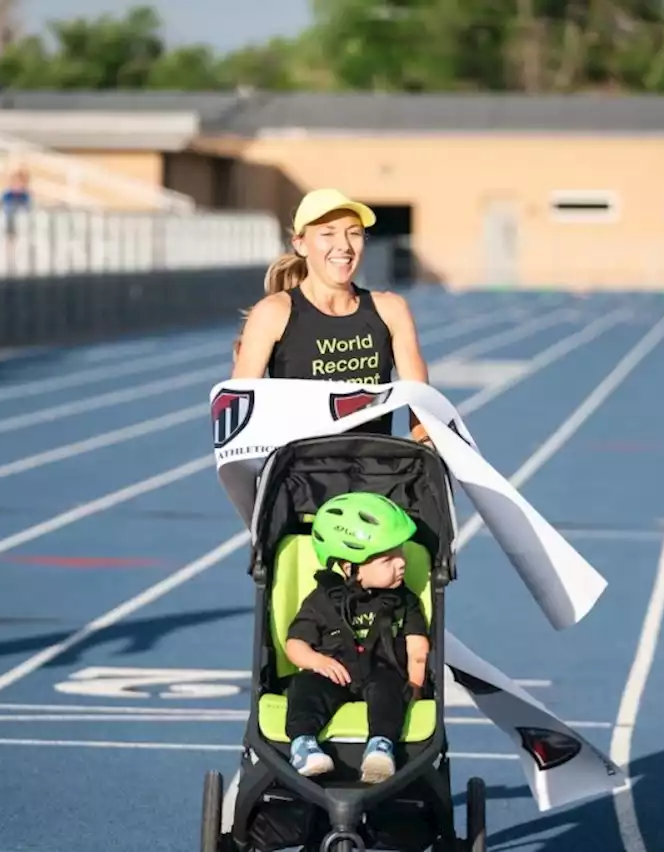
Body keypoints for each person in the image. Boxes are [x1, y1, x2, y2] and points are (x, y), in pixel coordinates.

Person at [232, 188, 433, 445]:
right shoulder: (272, 314)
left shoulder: (391, 309)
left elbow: (420, 401)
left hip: (376, 473)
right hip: (302, 475)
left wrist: (427, 444)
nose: (345, 246)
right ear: (301, 244)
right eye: (328, 234)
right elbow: (239, 411)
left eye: (355, 234)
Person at [282, 491, 431, 784]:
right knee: (304, 687)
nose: (402, 563)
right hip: (332, 672)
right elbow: (295, 643)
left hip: (382, 672)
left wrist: (416, 685)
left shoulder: (404, 600)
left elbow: (418, 647)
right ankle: (304, 744)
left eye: (400, 553)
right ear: (349, 566)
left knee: (389, 690)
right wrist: (316, 661)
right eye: (388, 559)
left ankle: (380, 747)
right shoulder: (323, 600)